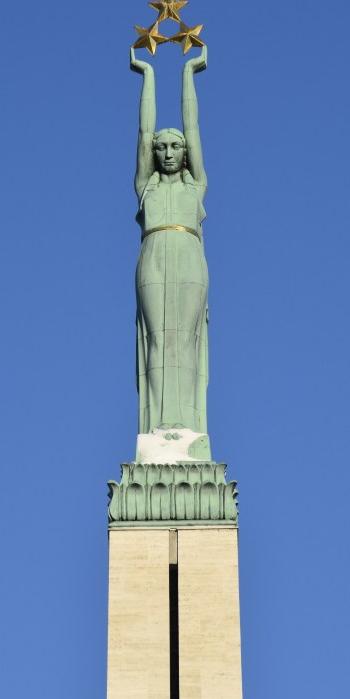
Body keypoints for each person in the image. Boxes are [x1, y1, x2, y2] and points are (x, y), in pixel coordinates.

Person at [130, 45, 209, 435]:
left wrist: (188, 74)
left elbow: (192, 127)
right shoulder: (147, 188)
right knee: (159, 340)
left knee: (186, 340)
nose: (168, 152)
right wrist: (147, 75)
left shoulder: (196, 186)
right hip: (154, 255)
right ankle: (161, 426)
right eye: (162, 148)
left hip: (188, 254)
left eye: (175, 146)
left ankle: (187, 423)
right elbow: (145, 133)